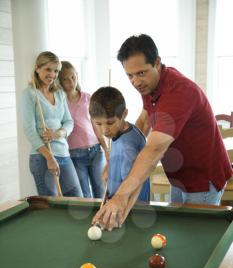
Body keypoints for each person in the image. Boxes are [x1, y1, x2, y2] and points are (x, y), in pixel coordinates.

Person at [92, 34, 233, 230]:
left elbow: (153, 151)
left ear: (157, 63)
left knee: (193, 234)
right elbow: (142, 123)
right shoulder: (150, 85)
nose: (136, 82)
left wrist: (120, 197)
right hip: (178, 176)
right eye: (130, 75)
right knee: (178, 231)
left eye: (141, 73)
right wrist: (115, 161)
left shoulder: (178, 93)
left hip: (204, 178)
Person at [20, 51, 83, 197]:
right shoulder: (29, 94)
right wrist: (49, 157)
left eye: (56, 71)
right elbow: (29, 130)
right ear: (37, 68)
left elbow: (69, 122)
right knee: (51, 205)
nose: (52, 74)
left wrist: (57, 134)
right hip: (42, 157)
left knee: (78, 199)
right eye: (48, 69)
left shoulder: (60, 93)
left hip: (64, 154)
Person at [89, 86, 150, 204]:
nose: (105, 130)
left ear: (124, 114)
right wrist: (111, 167)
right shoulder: (123, 132)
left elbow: (131, 186)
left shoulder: (128, 146)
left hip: (130, 211)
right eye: (98, 123)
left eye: (110, 123)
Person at [58, 61, 108, 198]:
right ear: (59, 81)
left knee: (100, 189)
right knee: (84, 193)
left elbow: (95, 125)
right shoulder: (60, 102)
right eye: (66, 79)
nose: (70, 82)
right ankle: (90, 219)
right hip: (75, 154)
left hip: (95, 151)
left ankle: (102, 219)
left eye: (73, 77)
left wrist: (106, 148)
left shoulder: (88, 98)